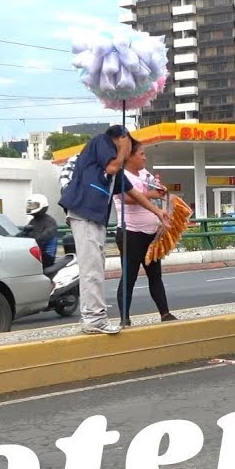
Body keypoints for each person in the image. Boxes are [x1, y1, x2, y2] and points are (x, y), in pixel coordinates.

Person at [58, 125, 170, 334]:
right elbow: (112, 167)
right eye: (131, 145)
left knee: (97, 267)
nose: (130, 153)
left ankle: (95, 317)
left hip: (95, 217)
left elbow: (132, 192)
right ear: (121, 138)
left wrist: (157, 212)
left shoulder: (115, 167)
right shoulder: (102, 142)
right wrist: (123, 146)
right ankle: (93, 320)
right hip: (84, 213)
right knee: (91, 267)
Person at [113, 139, 178, 326]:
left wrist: (160, 190)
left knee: (155, 275)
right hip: (131, 233)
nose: (144, 158)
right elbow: (126, 198)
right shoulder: (121, 175)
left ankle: (165, 313)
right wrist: (150, 195)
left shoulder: (144, 173)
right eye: (141, 154)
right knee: (129, 276)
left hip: (151, 233)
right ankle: (124, 318)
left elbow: (153, 190)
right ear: (130, 156)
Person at [19, 193, 59, 268]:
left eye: (33, 205)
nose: (31, 207)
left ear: (42, 205)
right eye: (30, 205)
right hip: (36, 253)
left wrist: (30, 236)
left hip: (46, 257)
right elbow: (24, 234)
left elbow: (42, 239)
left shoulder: (49, 222)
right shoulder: (33, 221)